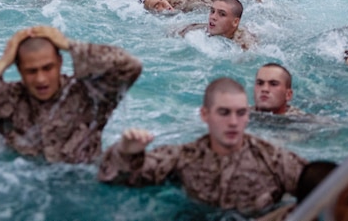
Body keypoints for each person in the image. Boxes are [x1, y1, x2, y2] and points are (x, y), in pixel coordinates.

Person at [98, 77, 307, 215]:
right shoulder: (184, 156)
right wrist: (126, 151)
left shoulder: (274, 159)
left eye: (241, 113)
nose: (234, 122)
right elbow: (118, 179)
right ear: (205, 115)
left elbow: (327, 194)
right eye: (224, 113)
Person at [0, 25, 142, 163]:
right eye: (31, 71)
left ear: (60, 63)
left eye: (47, 68)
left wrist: (69, 45)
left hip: (82, 183)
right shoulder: (9, 101)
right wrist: (2, 63)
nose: (41, 79)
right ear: (20, 70)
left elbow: (130, 66)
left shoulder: (88, 94)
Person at [177, 0, 256, 50]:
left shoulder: (245, 44)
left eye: (222, 14)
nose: (213, 17)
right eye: (212, 11)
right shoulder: (194, 30)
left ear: (235, 22)